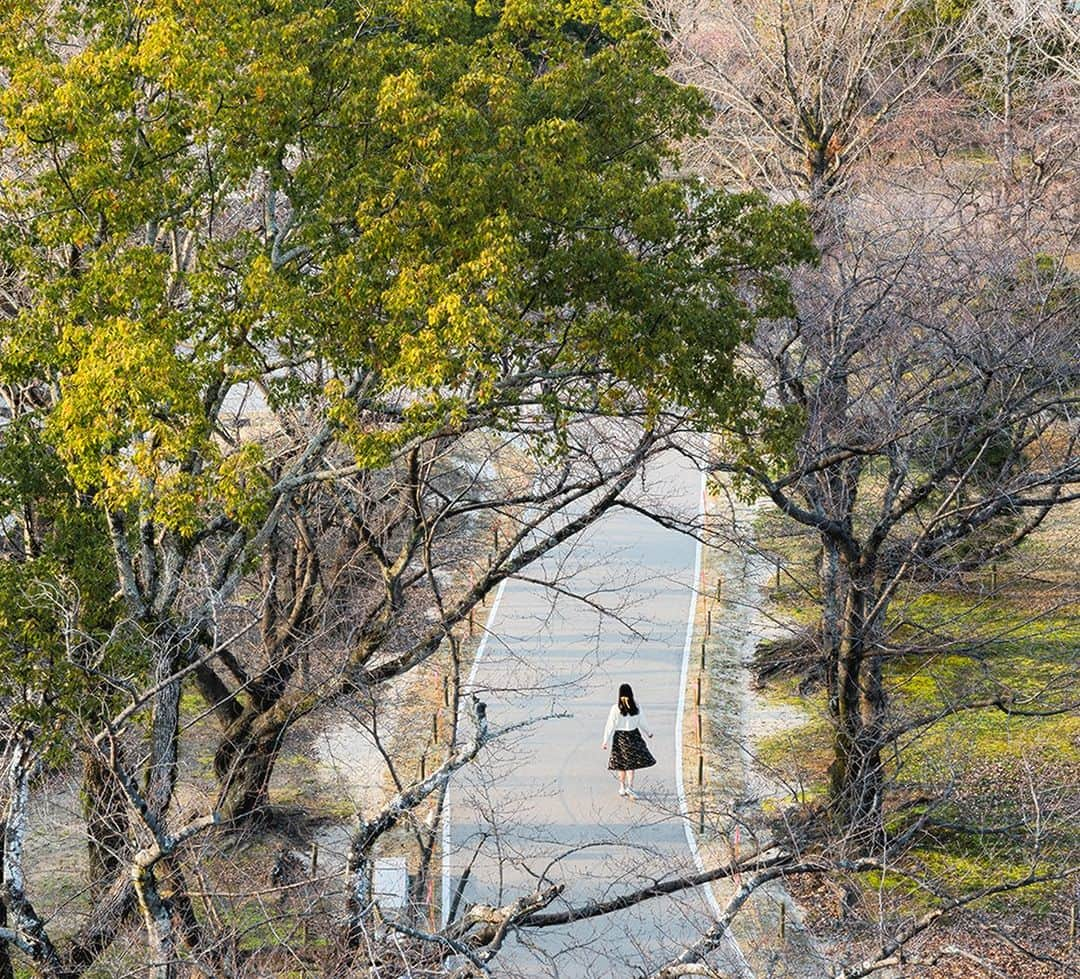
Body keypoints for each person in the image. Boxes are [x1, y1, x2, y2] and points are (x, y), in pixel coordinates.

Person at [601, 682, 655, 799]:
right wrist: (648, 732)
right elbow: (642, 721)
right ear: (631, 694)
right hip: (633, 736)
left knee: (621, 764)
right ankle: (630, 787)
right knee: (631, 764)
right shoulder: (636, 706)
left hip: (620, 738)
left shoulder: (616, 708)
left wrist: (605, 741)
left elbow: (610, 725)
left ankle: (622, 787)